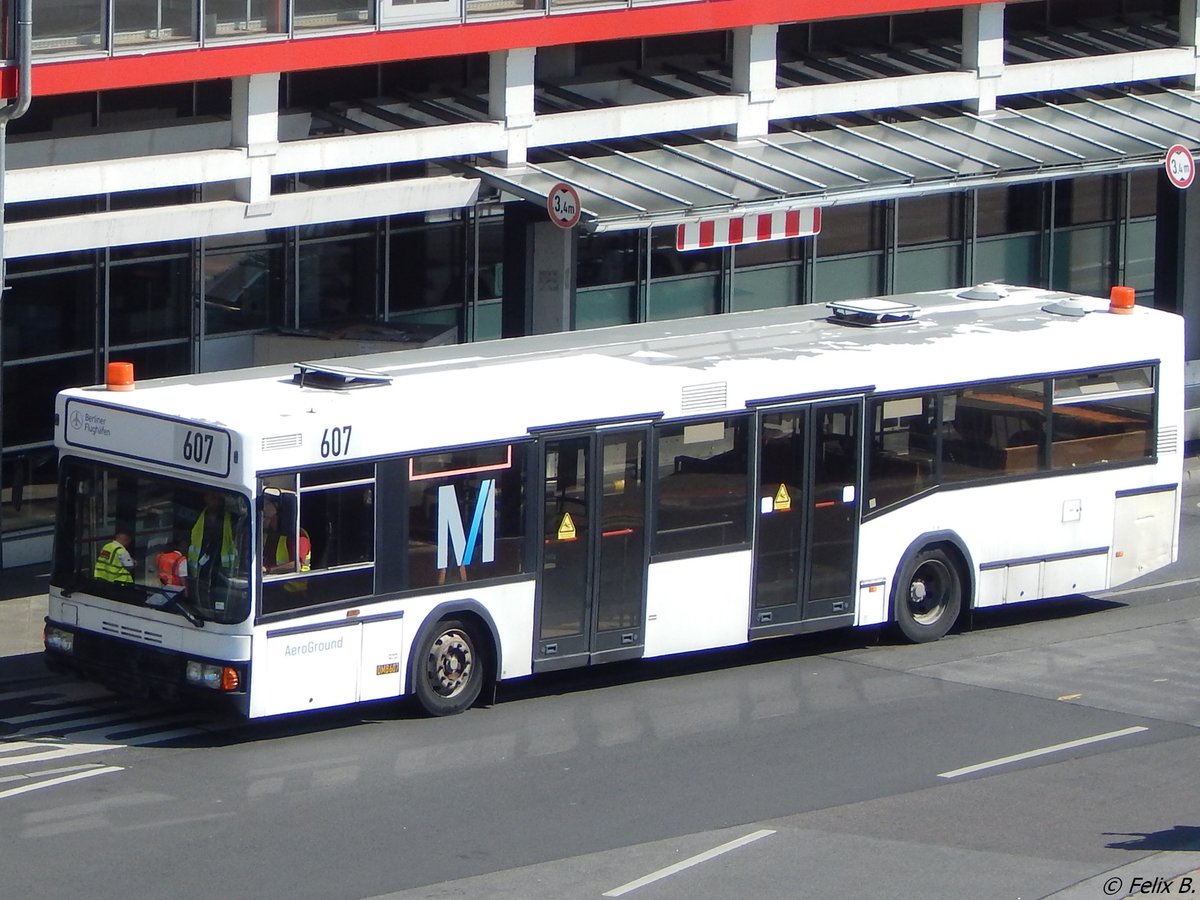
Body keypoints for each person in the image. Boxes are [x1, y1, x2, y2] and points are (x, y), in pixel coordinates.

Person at [189, 490, 237, 587]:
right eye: (212, 496)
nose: (215, 499)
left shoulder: (232, 519)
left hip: (222, 570)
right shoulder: (195, 517)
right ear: (205, 498)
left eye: (218, 497)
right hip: (199, 571)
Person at [262, 497, 311, 577]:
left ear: (281, 518)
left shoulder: (298, 536)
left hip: (293, 587)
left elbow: (296, 565)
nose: (265, 522)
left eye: (268, 518)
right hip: (273, 582)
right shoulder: (273, 535)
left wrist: (268, 570)